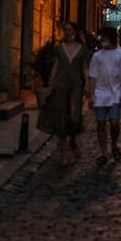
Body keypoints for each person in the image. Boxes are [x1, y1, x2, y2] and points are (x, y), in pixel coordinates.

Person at [40, 21, 88, 165]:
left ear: (75, 31)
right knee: (61, 118)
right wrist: (50, 87)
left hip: (75, 86)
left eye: (69, 29)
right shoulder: (59, 49)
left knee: (74, 117)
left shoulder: (82, 49)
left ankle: (73, 141)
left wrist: (87, 86)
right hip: (60, 85)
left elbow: (85, 68)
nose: (67, 32)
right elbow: (55, 68)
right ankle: (64, 155)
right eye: (65, 30)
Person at [87, 25, 121, 166]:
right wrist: (91, 95)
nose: (102, 40)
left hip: (115, 94)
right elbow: (93, 77)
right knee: (100, 123)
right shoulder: (97, 56)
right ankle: (103, 152)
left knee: (114, 122)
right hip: (100, 94)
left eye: (104, 37)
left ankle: (114, 144)